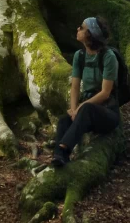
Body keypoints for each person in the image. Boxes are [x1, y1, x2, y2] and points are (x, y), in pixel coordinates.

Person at [51, 15, 120, 167]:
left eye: (81, 27)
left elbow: (105, 93)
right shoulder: (79, 56)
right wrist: (74, 109)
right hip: (86, 114)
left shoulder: (108, 57)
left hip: (108, 113)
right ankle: (60, 157)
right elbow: (75, 86)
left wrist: (81, 107)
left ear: (90, 34)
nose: (78, 29)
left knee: (86, 108)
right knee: (64, 120)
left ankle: (64, 145)